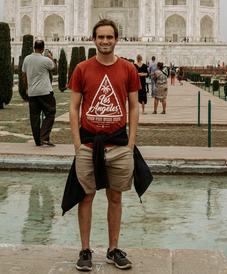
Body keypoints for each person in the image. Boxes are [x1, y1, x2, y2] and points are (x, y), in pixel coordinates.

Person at [67, 19, 141, 271]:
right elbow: (74, 107)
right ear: (94, 39)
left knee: (115, 197)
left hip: (119, 144)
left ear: (117, 39)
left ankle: (113, 249)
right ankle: (85, 250)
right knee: (85, 197)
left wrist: (130, 144)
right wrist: (78, 143)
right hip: (88, 144)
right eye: (101, 37)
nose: (105, 41)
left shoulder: (128, 69)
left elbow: (133, 106)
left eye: (109, 37)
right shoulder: (82, 68)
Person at [21, 39, 57, 147]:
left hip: (32, 93)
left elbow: (23, 75)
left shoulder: (27, 59)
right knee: (50, 113)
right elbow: (54, 68)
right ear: (43, 48)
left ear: (33, 47)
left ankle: (38, 141)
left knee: (34, 117)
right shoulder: (45, 60)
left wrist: (27, 88)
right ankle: (44, 137)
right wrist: (50, 58)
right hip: (45, 92)